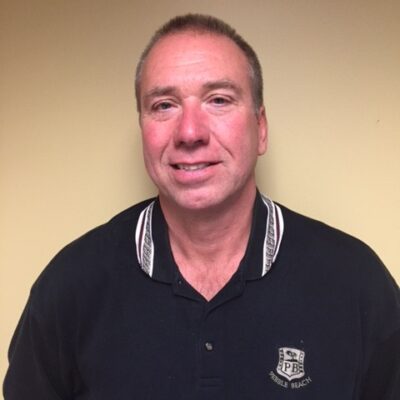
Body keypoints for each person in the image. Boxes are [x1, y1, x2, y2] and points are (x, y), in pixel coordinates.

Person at [3, 13, 400, 399]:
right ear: (143, 128)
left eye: (219, 100)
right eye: (164, 105)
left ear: (261, 128)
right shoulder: (70, 287)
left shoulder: (356, 284)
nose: (190, 132)